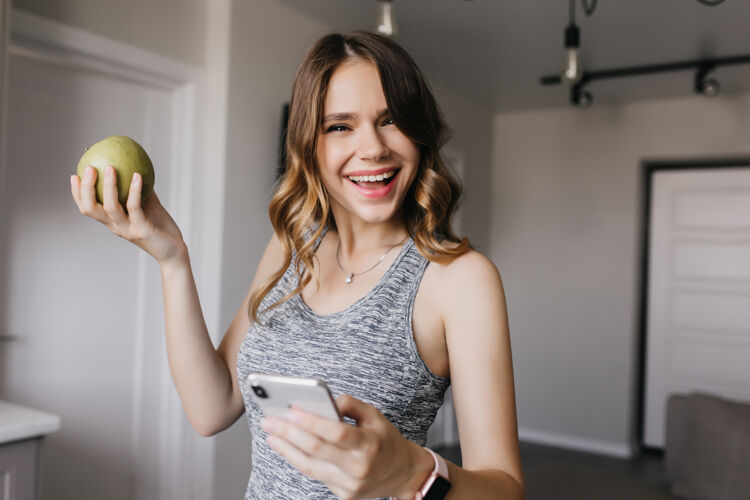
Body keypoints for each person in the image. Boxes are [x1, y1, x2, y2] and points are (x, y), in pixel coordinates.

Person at [70, 31, 524, 500]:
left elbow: (506, 490)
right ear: (310, 143)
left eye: (390, 121)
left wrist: (413, 473)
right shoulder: (293, 243)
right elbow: (212, 407)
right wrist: (172, 259)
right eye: (340, 126)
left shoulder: (459, 280)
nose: (372, 148)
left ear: (419, 132)